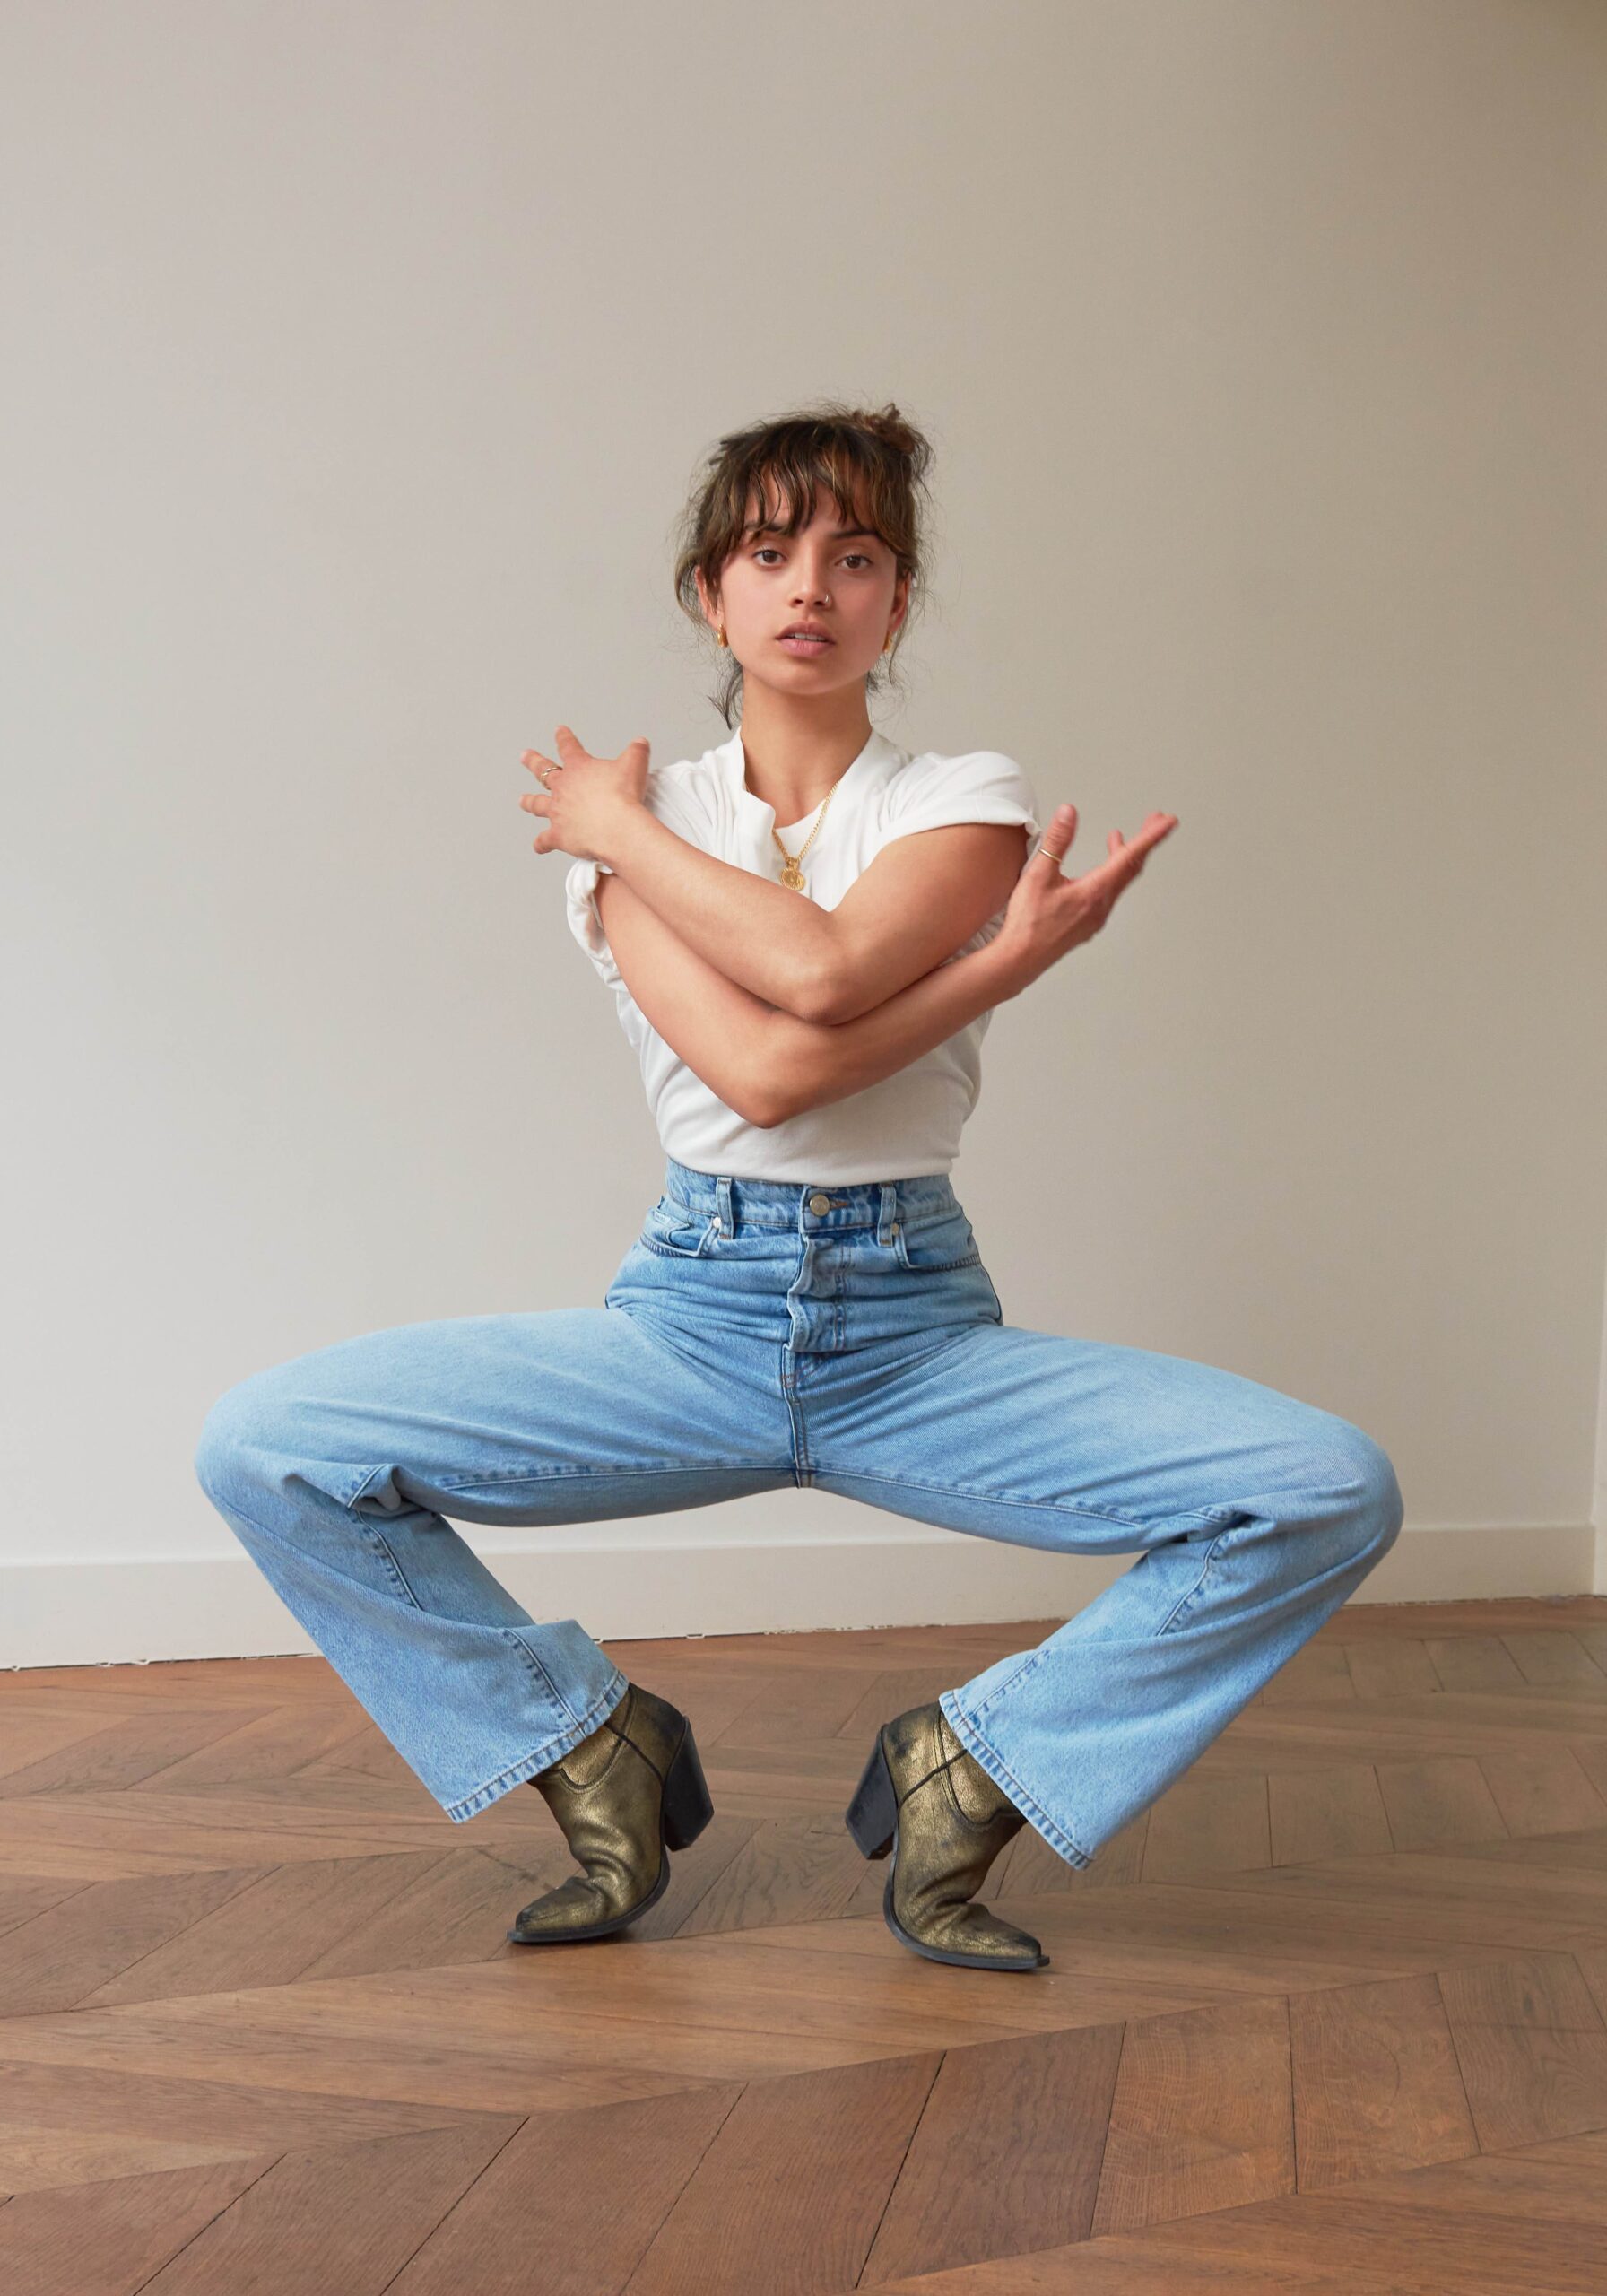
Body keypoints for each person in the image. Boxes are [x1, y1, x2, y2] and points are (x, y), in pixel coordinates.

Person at [195, 401, 1403, 1974]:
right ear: (713, 595)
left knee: (1326, 1487)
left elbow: (820, 981)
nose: (811, 588)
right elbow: (765, 1078)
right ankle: (588, 1744)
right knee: (271, 1447)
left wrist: (623, 834)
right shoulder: (653, 816)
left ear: (899, 601)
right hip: (689, 1320)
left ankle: (975, 1768)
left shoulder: (959, 799)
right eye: (769, 554)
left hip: (915, 1336)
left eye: (856, 556)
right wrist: (994, 966)